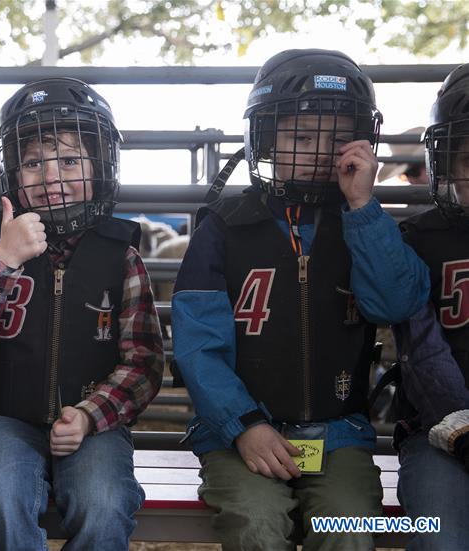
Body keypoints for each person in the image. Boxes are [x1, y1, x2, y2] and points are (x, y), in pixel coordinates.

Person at [171, 49, 430, 550]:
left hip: (338, 435)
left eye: (337, 139)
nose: (319, 152)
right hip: (238, 433)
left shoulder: (365, 223)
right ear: (266, 139)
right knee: (255, 522)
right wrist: (243, 425)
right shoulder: (224, 229)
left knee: (350, 527)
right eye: (302, 136)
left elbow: (395, 303)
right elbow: (198, 346)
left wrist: (361, 206)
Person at [0, 78, 164, 550]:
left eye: (70, 160)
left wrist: (92, 415)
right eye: (34, 163)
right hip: (7, 418)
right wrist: (3, 262)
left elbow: (144, 362)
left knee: (105, 502)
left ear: (99, 167)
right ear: (14, 174)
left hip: (95, 422)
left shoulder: (121, 257)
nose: (51, 176)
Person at [394, 63, 469, 550]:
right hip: (438, 433)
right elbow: (421, 348)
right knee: (438, 536)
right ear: (447, 164)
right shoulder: (420, 238)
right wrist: (461, 426)